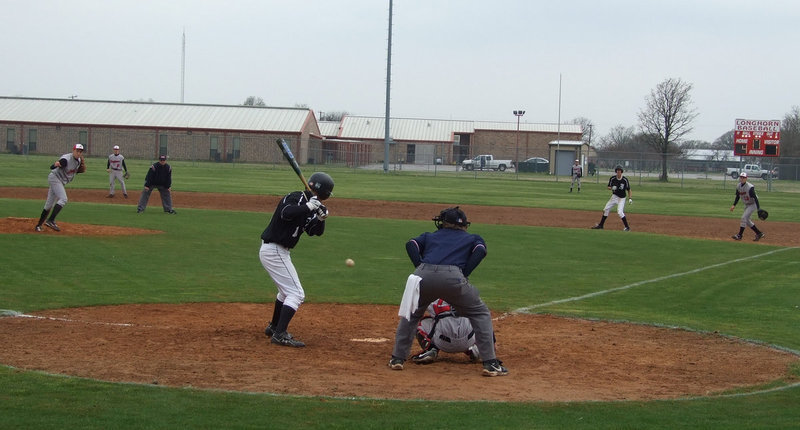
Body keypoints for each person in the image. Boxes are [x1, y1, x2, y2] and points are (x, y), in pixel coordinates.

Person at [389, 206, 508, 377]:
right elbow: (480, 250)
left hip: (422, 275)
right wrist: (464, 273)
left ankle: (397, 359)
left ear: (444, 223)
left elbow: (411, 244)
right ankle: (490, 364)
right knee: (480, 313)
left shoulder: (429, 236)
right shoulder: (472, 238)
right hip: (453, 276)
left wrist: (420, 266)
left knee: (412, 314)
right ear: (464, 225)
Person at [260, 172, 334, 347]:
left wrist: (320, 218)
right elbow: (286, 213)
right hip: (274, 249)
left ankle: (274, 326)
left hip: (280, 251)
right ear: (325, 192)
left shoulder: (312, 204)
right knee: (297, 294)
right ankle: (280, 335)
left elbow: (313, 231)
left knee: (286, 292)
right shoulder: (295, 197)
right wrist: (308, 207)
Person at [410, 298, 484, 365]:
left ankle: (431, 349)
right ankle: (478, 350)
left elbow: (415, 313)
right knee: (479, 321)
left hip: (442, 343)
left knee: (421, 322)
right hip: (468, 341)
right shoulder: (468, 293)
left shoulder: (433, 297)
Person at [35, 144, 86, 232]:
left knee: (48, 205)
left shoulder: (78, 160)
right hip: (55, 178)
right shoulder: (66, 159)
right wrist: (56, 164)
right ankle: (50, 220)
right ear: (73, 150)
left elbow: (74, 171)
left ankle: (38, 226)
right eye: (77, 151)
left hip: (59, 181)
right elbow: (58, 164)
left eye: (80, 152)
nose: (79, 153)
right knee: (63, 199)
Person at [592, 165, 632, 231]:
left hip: (621, 198)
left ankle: (627, 227)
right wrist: (612, 188)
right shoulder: (613, 178)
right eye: (617, 171)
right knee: (606, 209)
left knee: (620, 212)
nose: (618, 172)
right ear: (616, 171)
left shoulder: (625, 180)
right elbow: (608, 187)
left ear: (621, 172)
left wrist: (630, 198)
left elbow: (629, 189)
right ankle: (601, 225)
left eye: (620, 171)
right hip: (614, 196)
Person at [730, 172, 766, 241]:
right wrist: (734, 205)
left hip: (753, 204)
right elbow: (737, 196)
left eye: (744, 177)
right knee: (747, 220)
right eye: (741, 177)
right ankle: (759, 233)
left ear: (746, 178)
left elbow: (755, 198)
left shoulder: (750, 187)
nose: (742, 179)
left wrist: (758, 208)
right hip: (747, 204)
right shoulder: (738, 186)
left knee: (743, 218)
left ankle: (739, 235)